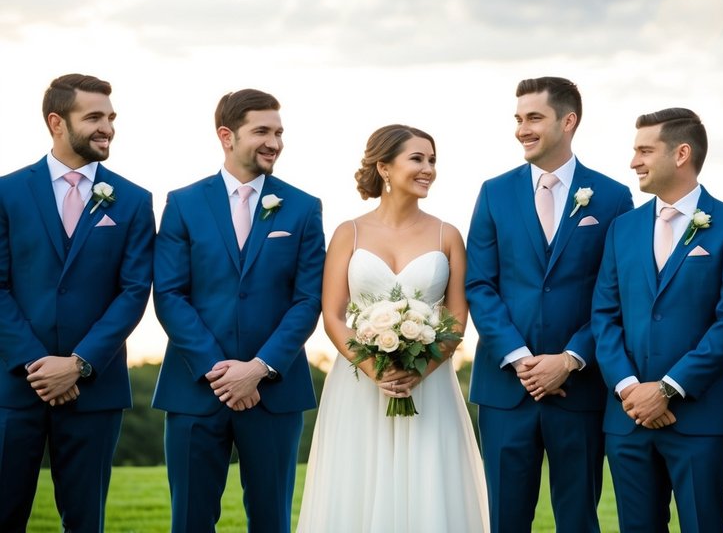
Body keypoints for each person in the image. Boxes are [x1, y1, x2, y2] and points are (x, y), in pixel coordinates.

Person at [298, 124, 489, 531]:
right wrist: (376, 370)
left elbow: (455, 321)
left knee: (428, 489)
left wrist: (417, 370)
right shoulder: (348, 232)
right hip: (359, 386)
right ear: (384, 167)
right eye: (417, 159)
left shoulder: (448, 234)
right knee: (357, 488)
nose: (428, 169)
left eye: (432, 160)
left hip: (429, 384)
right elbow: (333, 315)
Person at [152, 89, 324, 533]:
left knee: (271, 521)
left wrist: (259, 368)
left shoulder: (304, 208)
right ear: (226, 135)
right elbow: (170, 294)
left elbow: (308, 299)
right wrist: (218, 369)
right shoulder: (183, 203)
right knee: (189, 521)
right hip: (194, 390)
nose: (275, 142)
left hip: (274, 394)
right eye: (262, 131)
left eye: (279, 132)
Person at [466, 76, 632, 533]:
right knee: (505, 519)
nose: (522, 129)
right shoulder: (493, 192)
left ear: (568, 120)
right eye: (518, 119)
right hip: (505, 388)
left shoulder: (614, 197)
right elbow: (479, 284)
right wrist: (520, 359)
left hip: (580, 389)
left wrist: (571, 358)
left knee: (578, 517)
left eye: (534, 118)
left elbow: (613, 292)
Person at [592, 107, 723, 533]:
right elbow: (604, 316)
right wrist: (631, 389)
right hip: (627, 418)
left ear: (681, 153)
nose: (634, 161)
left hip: (699, 416)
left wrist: (668, 389)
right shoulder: (621, 229)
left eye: (645, 150)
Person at [0, 73, 154, 533]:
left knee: (86, 522)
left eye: (110, 117)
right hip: (13, 387)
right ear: (56, 122)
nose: (107, 127)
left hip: (95, 390)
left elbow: (133, 291)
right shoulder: (6, 193)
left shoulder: (132, 199)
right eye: (94, 117)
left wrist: (79, 363)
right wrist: (36, 363)